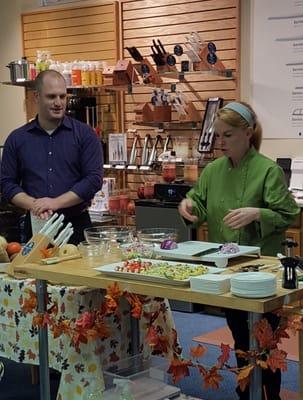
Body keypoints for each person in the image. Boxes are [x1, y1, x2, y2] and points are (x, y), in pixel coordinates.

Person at [178, 101, 300, 400]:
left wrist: (257, 213)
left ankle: (267, 391)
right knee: (240, 336)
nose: (220, 143)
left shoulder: (267, 171)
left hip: (261, 273)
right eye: (217, 136)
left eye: (228, 136)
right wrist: (189, 206)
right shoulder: (214, 170)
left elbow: (289, 214)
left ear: (248, 133)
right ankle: (247, 391)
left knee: (263, 341)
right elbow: (200, 202)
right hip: (226, 269)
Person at [0, 70, 103, 244]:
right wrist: (34, 204)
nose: (58, 103)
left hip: (76, 226)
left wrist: (55, 203)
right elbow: (6, 183)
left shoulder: (85, 135)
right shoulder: (17, 139)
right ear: (37, 96)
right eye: (51, 96)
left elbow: (93, 180)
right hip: (35, 226)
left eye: (62, 96)